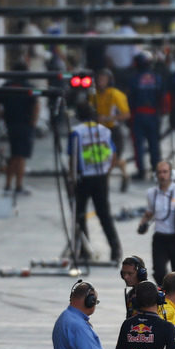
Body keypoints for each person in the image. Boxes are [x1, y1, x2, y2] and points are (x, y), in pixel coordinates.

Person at [69, 102, 122, 262]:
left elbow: (73, 158)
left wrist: (71, 180)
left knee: (79, 214)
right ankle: (115, 249)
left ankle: (84, 250)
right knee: (104, 214)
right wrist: (108, 171)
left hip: (83, 177)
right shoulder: (104, 131)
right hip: (101, 177)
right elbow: (113, 154)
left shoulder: (76, 132)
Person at [137, 161, 175, 284]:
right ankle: (164, 293)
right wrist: (143, 222)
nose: (162, 175)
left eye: (165, 172)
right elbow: (150, 211)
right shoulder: (152, 193)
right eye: (159, 172)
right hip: (160, 237)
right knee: (158, 271)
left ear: (172, 174)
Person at [0, 70, 39, 195]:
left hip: (11, 125)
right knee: (20, 156)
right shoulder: (29, 87)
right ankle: (17, 185)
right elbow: (36, 105)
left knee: (16, 155)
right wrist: (33, 123)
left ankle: (9, 185)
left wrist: (0, 114)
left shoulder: (7, 86)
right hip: (25, 125)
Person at [90, 68, 131, 191]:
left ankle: (104, 184)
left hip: (113, 131)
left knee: (110, 160)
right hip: (99, 131)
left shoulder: (116, 95)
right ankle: (121, 171)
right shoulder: (93, 95)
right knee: (105, 159)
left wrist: (108, 118)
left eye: (103, 80)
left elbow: (126, 114)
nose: (100, 82)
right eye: (99, 80)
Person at [126, 50, 164, 181]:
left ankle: (141, 171)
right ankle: (155, 170)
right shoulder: (157, 78)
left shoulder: (134, 79)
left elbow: (130, 99)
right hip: (153, 115)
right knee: (154, 144)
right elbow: (162, 97)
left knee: (138, 145)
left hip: (138, 115)